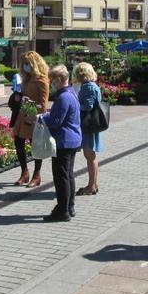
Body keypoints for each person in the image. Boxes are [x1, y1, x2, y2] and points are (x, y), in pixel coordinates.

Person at [40, 64, 81, 222]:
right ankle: (69, 206)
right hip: (73, 139)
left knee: (61, 177)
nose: (51, 83)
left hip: (64, 140)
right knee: (68, 175)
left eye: (52, 80)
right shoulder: (72, 93)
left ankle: (62, 210)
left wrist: (41, 117)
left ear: (58, 79)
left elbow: (56, 121)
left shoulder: (63, 97)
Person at [11, 51, 50, 188]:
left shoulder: (42, 80)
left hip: (34, 117)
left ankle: (37, 174)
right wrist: (19, 98)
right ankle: (24, 172)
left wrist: (32, 106)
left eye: (28, 64)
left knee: (36, 146)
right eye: (24, 64)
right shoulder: (26, 79)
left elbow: (44, 105)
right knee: (18, 142)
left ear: (35, 64)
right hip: (22, 116)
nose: (26, 66)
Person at [73, 62, 102, 196]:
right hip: (92, 125)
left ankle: (91, 186)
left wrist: (76, 106)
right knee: (91, 156)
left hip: (88, 125)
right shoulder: (93, 85)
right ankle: (93, 184)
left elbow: (88, 106)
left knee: (89, 155)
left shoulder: (88, 87)